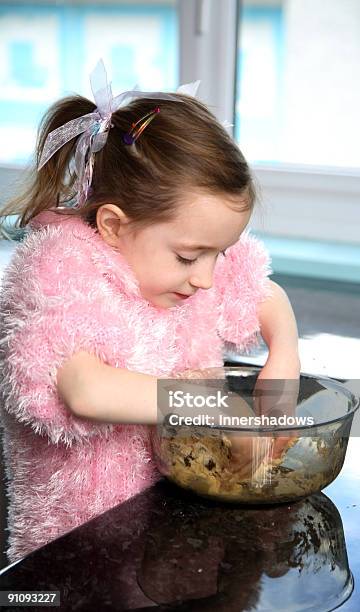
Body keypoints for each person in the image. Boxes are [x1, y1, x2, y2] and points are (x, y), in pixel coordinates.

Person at [0, 61, 300, 563]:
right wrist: (219, 408)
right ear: (114, 226)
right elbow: (83, 390)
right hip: (82, 547)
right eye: (188, 257)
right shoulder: (58, 274)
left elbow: (265, 293)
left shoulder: (179, 262)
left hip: (170, 530)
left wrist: (284, 357)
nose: (206, 277)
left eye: (218, 253)